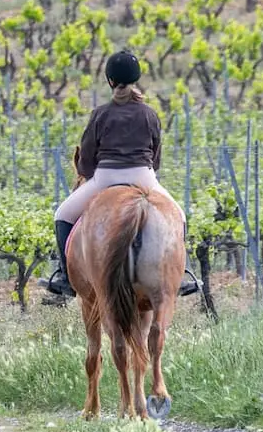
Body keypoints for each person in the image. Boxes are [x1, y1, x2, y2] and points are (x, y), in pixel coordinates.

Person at [43, 50, 200, 298]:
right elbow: (156, 155)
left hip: (105, 177)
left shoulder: (101, 114)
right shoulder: (149, 113)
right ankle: (181, 273)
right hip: (144, 177)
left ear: (110, 80)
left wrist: (89, 173)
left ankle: (64, 276)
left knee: (62, 214)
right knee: (178, 216)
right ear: (136, 79)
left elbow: (86, 158)